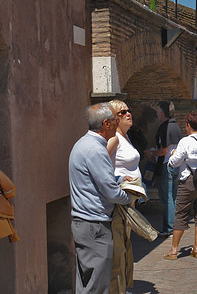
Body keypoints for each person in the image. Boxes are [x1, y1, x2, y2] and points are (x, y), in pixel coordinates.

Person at [69, 103, 132, 294]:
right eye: (115, 121)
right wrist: (129, 196)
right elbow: (111, 192)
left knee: (88, 283)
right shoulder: (95, 149)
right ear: (106, 124)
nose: (117, 124)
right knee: (97, 286)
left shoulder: (83, 144)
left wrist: (119, 179)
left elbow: (96, 179)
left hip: (86, 223)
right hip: (94, 225)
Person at [164, 112, 197, 260]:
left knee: (181, 214)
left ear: (188, 125)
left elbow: (174, 163)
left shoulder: (185, 142)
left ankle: (174, 250)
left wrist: (173, 154)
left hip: (189, 181)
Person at [106, 100, 144, 294]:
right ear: (115, 118)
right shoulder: (114, 139)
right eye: (123, 112)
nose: (128, 113)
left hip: (130, 200)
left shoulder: (125, 137)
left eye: (129, 110)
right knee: (118, 247)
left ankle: (123, 287)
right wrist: (118, 179)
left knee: (126, 244)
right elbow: (100, 166)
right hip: (119, 202)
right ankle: (116, 290)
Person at [145, 101, 182, 237]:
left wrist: (152, 153)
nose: (156, 113)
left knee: (167, 198)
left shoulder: (165, 128)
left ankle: (170, 228)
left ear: (162, 112)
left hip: (166, 165)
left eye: (158, 111)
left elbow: (164, 150)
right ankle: (172, 226)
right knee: (172, 197)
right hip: (174, 165)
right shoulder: (176, 127)